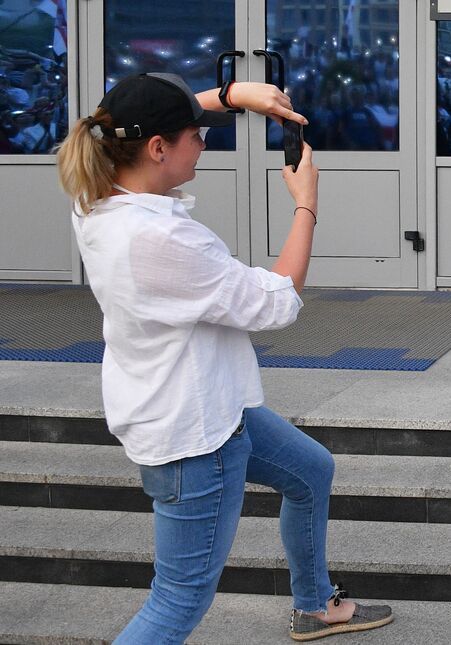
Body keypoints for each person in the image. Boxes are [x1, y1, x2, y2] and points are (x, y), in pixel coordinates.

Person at [55, 72, 393, 643]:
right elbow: (276, 301)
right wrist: (306, 204)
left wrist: (232, 96)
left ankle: (315, 606)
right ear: (158, 148)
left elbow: (114, 116)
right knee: (176, 602)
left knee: (310, 470)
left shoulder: (96, 196)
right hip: (195, 439)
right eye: (196, 133)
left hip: (211, 405)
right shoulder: (160, 240)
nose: (205, 141)